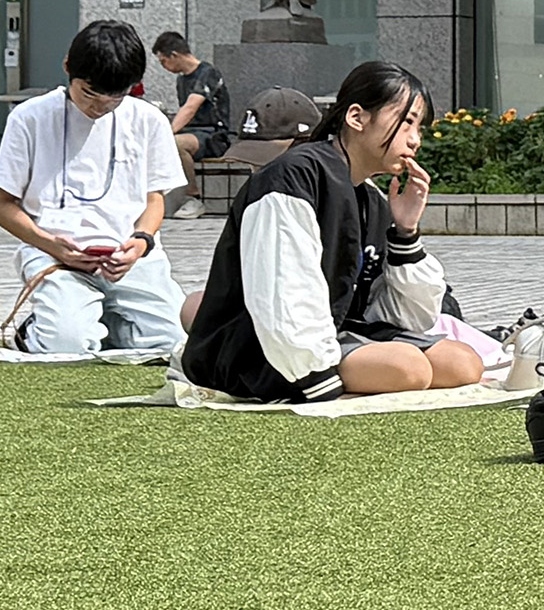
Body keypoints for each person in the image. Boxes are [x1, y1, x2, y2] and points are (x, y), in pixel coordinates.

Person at [178, 61, 482, 400]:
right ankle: (319, 368)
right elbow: (284, 291)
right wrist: (314, 373)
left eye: (419, 128)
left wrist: (405, 231)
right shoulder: (293, 179)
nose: (415, 140)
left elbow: (407, 319)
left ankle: (342, 364)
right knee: (408, 369)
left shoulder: (370, 198)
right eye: (406, 122)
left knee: (463, 363)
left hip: (337, 331)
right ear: (356, 117)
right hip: (258, 349)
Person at [0, 20, 189, 355]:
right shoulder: (30, 118)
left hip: (128, 257)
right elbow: (1, 205)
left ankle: (96, 318)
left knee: (174, 344)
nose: (99, 107)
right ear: (68, 67)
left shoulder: (148, 119)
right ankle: (49, 326)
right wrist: (51, 245)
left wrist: (141, 242)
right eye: (89, 94)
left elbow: (155, 199)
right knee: (68, 346)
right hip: (54, 253)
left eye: (115, 99)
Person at [151, 32, 230, 220]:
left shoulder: (208, 73)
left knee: (176, 144)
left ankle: (193, 197)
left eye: (163, 61)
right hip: (191, 133)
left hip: (213, 135)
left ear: (174, 55)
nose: (164, 67)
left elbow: (190, 107)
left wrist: (167, 132)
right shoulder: (181, 80)